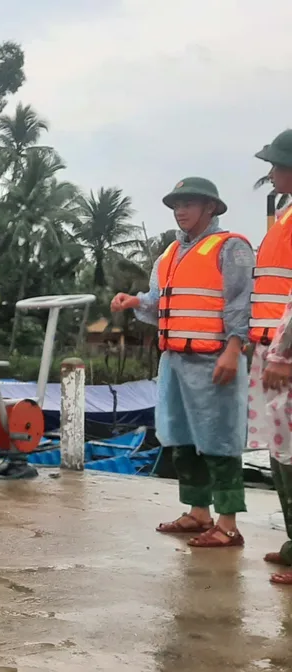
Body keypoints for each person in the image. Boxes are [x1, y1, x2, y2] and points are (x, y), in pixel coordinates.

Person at [111, 177, 254, 548]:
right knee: (181, 437)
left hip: (214, 358)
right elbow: (160, 301)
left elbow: (240, 303)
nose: (180, 210)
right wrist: (135, 302)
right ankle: (198, 511)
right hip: (174, 359)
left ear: (210, 207)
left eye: (189, 203)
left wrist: (233, 348)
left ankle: (227, 523)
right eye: (176, 204)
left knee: (220, 440)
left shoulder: (231, 248)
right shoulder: (169, 254)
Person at [247, 130, 292, 581]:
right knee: (282, 450)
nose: (272, 172)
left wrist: (283, 354)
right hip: (272, 347)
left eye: (278, 164)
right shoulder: (284, 213)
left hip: (287, 353)